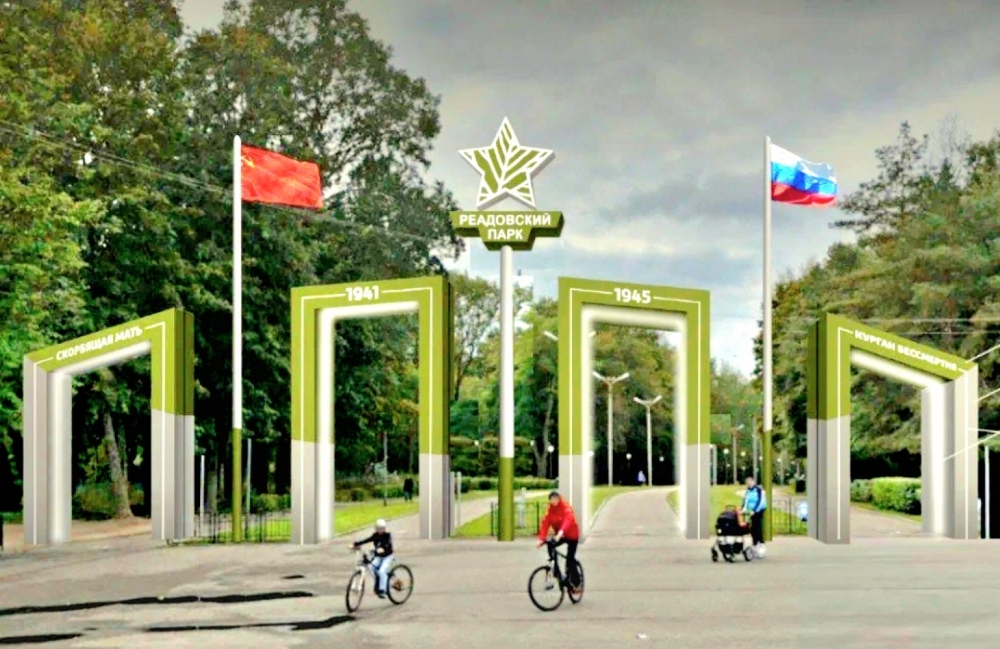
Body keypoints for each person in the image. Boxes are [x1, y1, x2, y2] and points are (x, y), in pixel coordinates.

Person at [536, 491, 581, 594]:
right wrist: (541, 539)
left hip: (571, 536)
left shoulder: (566, 508)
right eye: (552, 499)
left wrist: (561, 533)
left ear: (559, 499)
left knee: (570, 560)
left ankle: (577, 583)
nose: (554, 501)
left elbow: (568, 521)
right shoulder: (550, 511)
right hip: (560, 536)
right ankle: (556, 570)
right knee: (550, 545)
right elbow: (545, 524)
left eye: (556, 498)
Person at [350, 518, 394, 598]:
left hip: (387, 557)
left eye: (381, 528)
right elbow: (367, 540)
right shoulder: (375, 536)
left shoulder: (387, 536)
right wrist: (356, 544)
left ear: (384, 528)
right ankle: (379, 582)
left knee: (381, 571)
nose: (379, 530)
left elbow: (388, 543)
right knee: (371, 567)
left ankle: (382, 590)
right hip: (378, 556)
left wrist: (383, 548)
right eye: (378, 528)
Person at [741, 476, 767, 555]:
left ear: (753, 482)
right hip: (750, 511)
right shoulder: (748, 491)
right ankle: (755, 543)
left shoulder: (759, 490)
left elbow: (760, 501)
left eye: (750, 482)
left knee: (757, 527)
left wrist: (755, 510)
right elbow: (745, 501)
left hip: (759, 510)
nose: (748, 483)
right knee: (752, 528)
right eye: (747, 482)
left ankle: (761, 543)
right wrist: (743, 509)